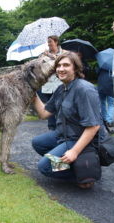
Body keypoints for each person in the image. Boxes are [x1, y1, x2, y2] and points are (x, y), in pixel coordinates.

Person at [32, 52, 102, 188]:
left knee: (44, 167)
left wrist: (74, 151)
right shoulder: (61, 88)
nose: (61, 69)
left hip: (79, 138)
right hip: (63, 134)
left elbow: (93, 126)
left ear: (75, 68)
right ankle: (73, 165)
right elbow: (44, 113)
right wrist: (33, 94)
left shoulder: (84, 89)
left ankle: (85, 173)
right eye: (58, 65)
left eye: (66, 65)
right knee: (38, 143)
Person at [37, 35, 67, 130]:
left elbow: (65, 64)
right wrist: (42, 58)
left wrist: (52, 57)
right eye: (48, 42)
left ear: (56, 42)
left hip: (60, 85)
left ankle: (62, 128)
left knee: (61, 107)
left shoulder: (65, 53)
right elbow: (39, 68)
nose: (48, 44)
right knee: (49, 107)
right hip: (48, 85)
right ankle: (52, 129)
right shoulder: (43, 55)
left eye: (50, 41)